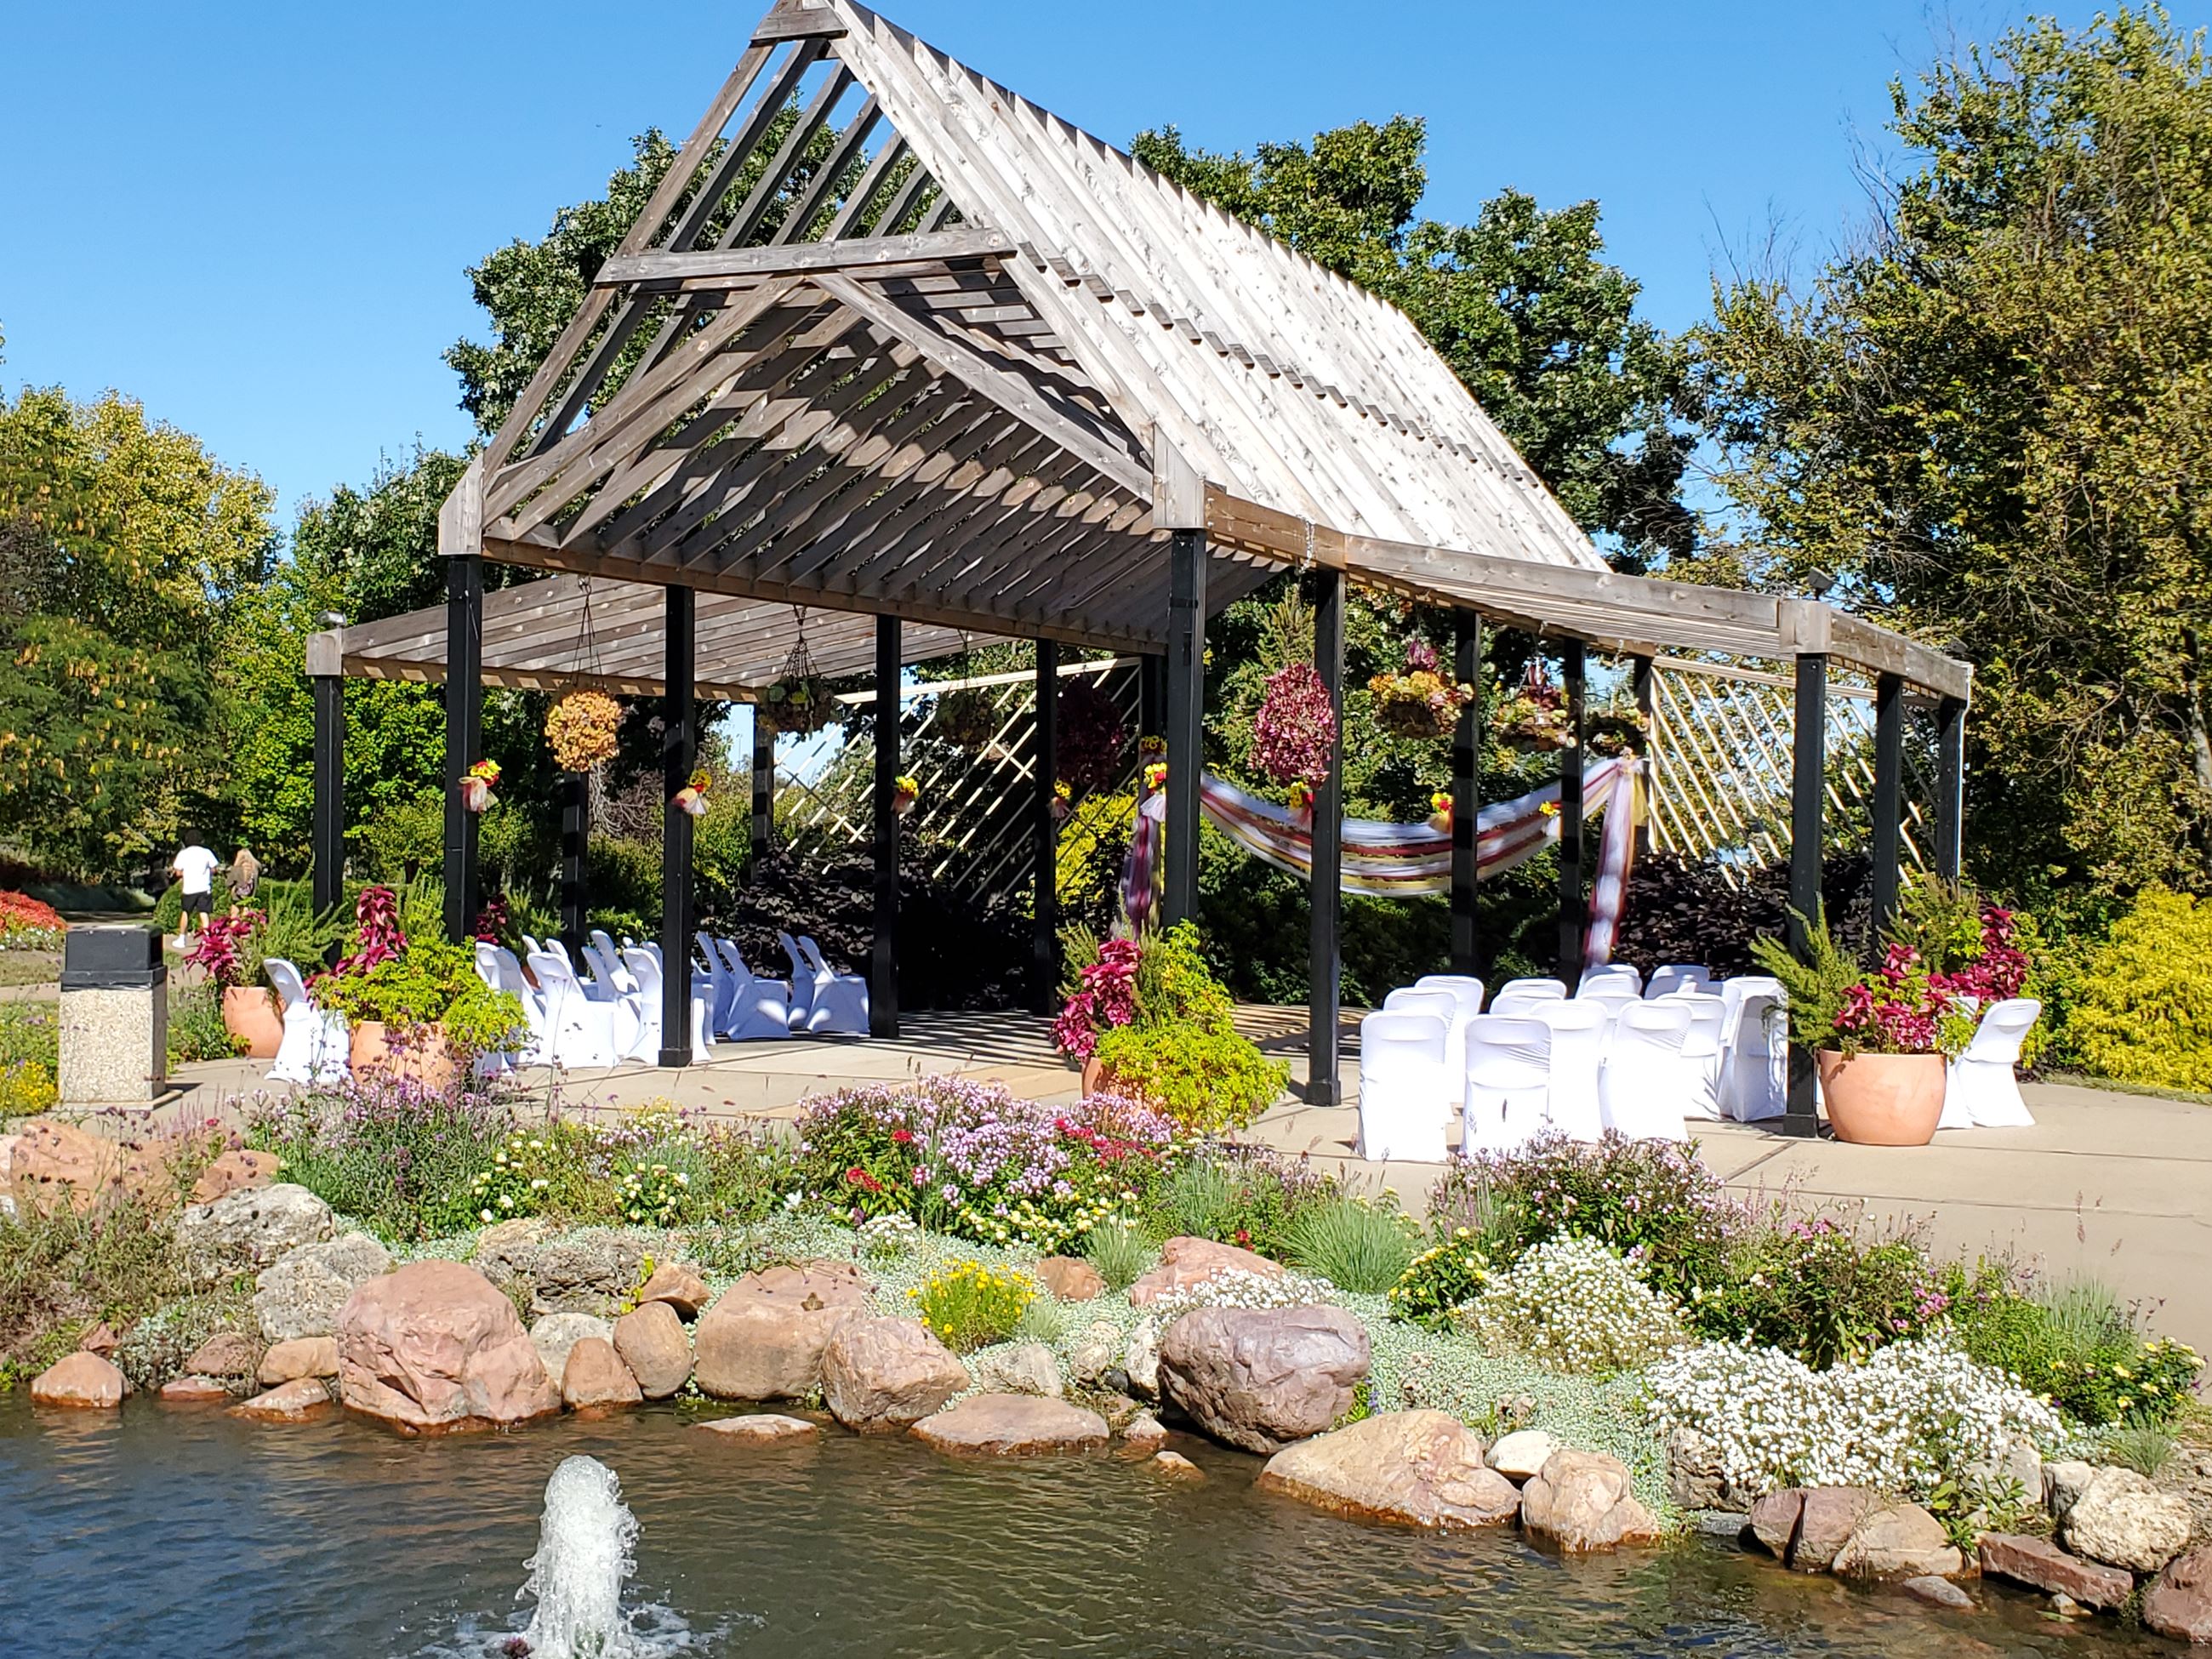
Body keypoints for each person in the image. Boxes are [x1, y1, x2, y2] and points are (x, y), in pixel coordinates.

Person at [170, 832, 221, 946]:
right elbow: (214, 869)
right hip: (204, 887)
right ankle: (207, 939)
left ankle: (182, 939)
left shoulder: (183, 854)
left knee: (186, 912)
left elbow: (178, 872)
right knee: (204, 913)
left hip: (189, 888)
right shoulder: (207, 852)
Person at [227, 844, 261, 912]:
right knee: (246, 911)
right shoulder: (255, 868)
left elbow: (229, 883)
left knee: (235, 915)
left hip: (237, 895)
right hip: (250, 895)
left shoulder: (237, 868)